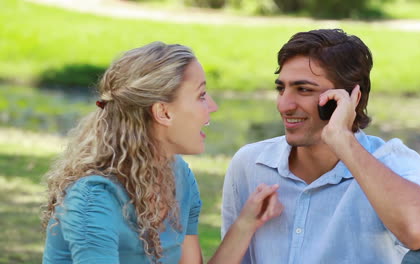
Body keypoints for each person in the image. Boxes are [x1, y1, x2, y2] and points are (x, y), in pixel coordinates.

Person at [221, 28, 420, 263]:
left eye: (303, 89)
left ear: (350, 99)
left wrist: (341, 139)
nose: (284, 105)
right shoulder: (250, 163)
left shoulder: (395, 163)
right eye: (281, 88)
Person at [41, 41, 283, 264]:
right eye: (201, 95)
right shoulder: (93, 198)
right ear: (163, 113)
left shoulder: (180, 176)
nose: (212, 106)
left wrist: (246, 224)